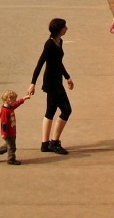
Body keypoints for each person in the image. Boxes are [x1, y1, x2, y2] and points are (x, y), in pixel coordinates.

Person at [27, 17, 74, 155]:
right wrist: (32, 83)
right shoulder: (49, 44)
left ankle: (45, 144)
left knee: (50, 111)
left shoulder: (59, 42)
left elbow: (59, 63)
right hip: (52, 83)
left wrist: (67, 76)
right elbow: (40, 63)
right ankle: (54, 142)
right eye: (64, 26)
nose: (67, 28)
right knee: (66, 110)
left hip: (57, 81)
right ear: (59, 29)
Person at [0, 89, 32, 165]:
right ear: (8, 100)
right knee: (12, 147)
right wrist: (4, 134)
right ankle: (11, 159)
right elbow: (4, 124)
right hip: (8, 133)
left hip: (12, 131)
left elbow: (16, 104)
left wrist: (24, 98)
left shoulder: (10, 107)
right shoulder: (5, 111)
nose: (15, 102)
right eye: (14, 100)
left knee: (9, 145)